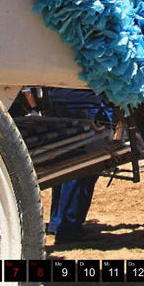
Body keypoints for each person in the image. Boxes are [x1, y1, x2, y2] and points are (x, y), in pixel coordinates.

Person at [44, 87, 114, 242]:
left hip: (59, 99)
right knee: (85, 166)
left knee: (63, 163)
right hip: (87, 102)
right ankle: (69, 226)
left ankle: (57, 221)